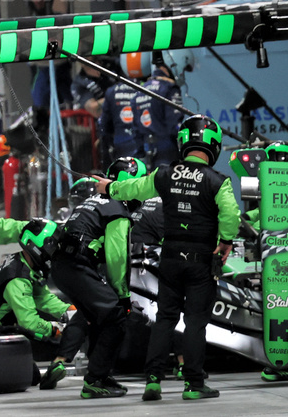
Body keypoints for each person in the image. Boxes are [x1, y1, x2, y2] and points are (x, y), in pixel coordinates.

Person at [99, 115, 239, 401]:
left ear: (183, 142)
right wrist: (225, 241)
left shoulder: (164, 173)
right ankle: (193, 384)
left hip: (171, 257)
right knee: (195, 322)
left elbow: (133, 189)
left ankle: (153, 380)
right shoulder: (218, 181)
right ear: (213, 145)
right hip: (201, 260)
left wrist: (108, 187)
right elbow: (231, 215)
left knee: (165, 318)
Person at [42, 175, 133, 398]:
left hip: (62, 265)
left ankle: (96, 374)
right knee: (115, 315)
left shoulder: (92, 202)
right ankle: (95, 379)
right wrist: (122, 295)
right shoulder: (117, 210)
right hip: (78, 265)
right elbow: (117, 257)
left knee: (92, 316)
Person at [0, 218, 72, 387]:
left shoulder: (26, 265)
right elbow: (29, 323)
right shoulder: (17, 279)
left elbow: (43, 297)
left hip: (3, 329)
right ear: (36, 246)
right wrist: (57, 329)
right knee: (31, 376)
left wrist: (69, 311)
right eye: (52, 248)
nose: (54, 253)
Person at [130, 52, 190, 166]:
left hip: (147, 154)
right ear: (175, 64)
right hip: (168, 153)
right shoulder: (169, 88)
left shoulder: (140, 91)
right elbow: (174, 127)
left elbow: (136, 131)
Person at [97, 54, 147, 166]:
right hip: (145, 144)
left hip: (121, 144)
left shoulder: (111, 91)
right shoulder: (147, 89)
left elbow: (104, 125)